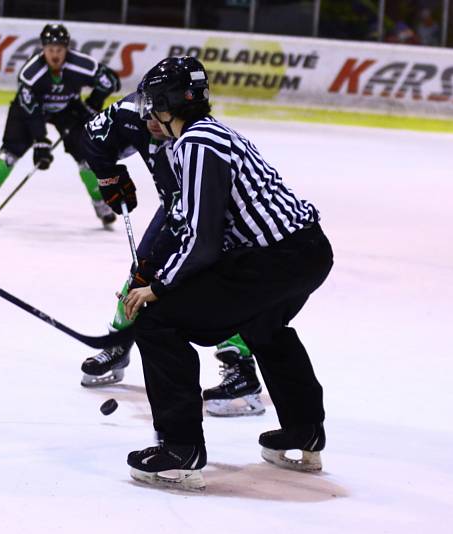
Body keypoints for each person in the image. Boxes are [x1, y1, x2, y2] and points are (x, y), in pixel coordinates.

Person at [123, 57, 333, 491]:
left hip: (273, 260)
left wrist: (157, 288)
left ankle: (180, 450)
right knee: (264, 325)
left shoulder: (195, 145)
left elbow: (203, 241)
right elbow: (196, 228)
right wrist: (157, 269)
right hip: (307, 250)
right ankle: (304, 430)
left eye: (151, 102)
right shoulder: (217, 133)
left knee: (157, 320)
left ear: (165, 103)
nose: (147, 112)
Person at [78, 90, 264, 418]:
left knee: (210, 280)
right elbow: (91, 136)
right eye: (147, 115)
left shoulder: (197, 136)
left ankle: (240, 365)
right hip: (174, 206)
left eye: (159, 115)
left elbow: (201, 211)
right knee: (143, 267)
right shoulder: (130, 113)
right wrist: (109, 177)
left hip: (209, 213)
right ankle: (120, 340)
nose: (152, 123)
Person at [0, 23, 120, 227]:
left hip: (67, 109)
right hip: (29, 110)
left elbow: (110, 81)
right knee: (10, 153)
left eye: (59, 49)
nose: (55, 54)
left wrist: (93, 102)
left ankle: (99, 201)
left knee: (87, 155)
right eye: (50, 50)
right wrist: (40, 139)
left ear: (66, 49)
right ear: (43, 49)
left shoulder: (81, 64)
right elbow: (31, 110)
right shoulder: (31, 73)